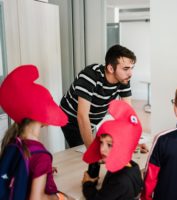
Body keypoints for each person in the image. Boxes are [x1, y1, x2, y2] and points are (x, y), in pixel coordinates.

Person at [0, 65, 71, 199]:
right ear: (41, 112)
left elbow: (20, 171)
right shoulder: (41, 156)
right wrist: (61, 197)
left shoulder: (13, 142)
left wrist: (43, 170)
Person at [81, 100, 143, 199]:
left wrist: (87, 184)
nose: (102, 149)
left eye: (109, 145)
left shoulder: (119, 181)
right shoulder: (134, 167)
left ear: (123, 146)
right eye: (101, 142)